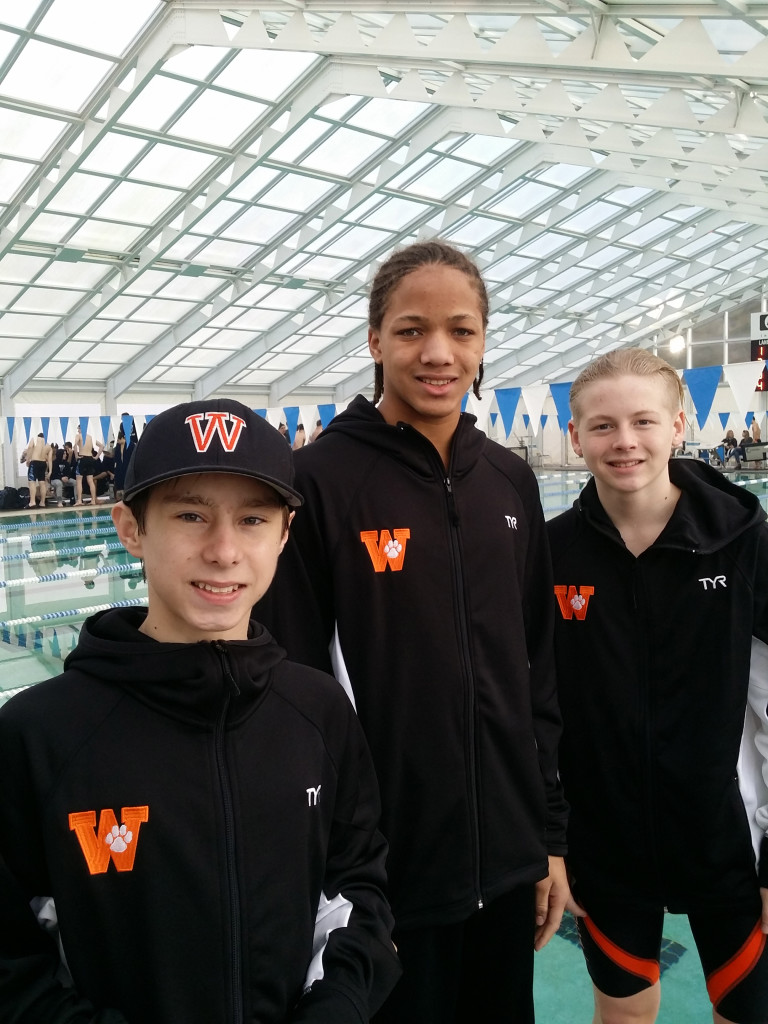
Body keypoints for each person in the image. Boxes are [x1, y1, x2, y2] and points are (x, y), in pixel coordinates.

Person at [0, 398, 400, 1024]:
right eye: (191, 514)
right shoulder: (39, 735)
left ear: (284, 536)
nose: (223, 551)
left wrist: (338, 1008)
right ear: (130, 528)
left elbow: (357, 889)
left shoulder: (318, 713)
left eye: (252, 520)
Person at [257, 240, 569, 1024]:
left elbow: (539, 669)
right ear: (374, 340)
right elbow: (290, 690)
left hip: (506, 860)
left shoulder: (509, 479)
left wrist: (547, 839)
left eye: (461, 331)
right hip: (386, 875)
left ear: (484, 342)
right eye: (411, 330)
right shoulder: (318, 481)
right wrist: (330, 865)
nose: (438, 352)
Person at [547, 348, 768, 1024]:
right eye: (603, 425)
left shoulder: (745, 543)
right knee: (623, 1016)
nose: (625, 442)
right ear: (576, 436)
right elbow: (534, 707)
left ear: (678, 426)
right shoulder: (549, 553)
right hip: (603, 842)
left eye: (643, 421)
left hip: (728, 842)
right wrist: (550, 840)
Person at [74, 426, 103, 506]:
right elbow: (102, 446)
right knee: (90, 481)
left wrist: (76, 456)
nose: (78, 430)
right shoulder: (91, 437)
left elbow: (75, 445)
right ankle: (93, 500)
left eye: (78, 429)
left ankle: (79, 500)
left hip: (82, 458)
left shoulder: (78, 436)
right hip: (90, 458)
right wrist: (96, 457)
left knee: (79, 480)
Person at [23, 431, 51, 508]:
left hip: (34, 463)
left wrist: (27, 459)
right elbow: (50, 459)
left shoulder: (35, 439)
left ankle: (32, 502)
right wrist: (50, 471)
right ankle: (42, 502)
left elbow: (29, 447)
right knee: (42, 483)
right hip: (43, 464)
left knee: (32, 482)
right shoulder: (48, 445)